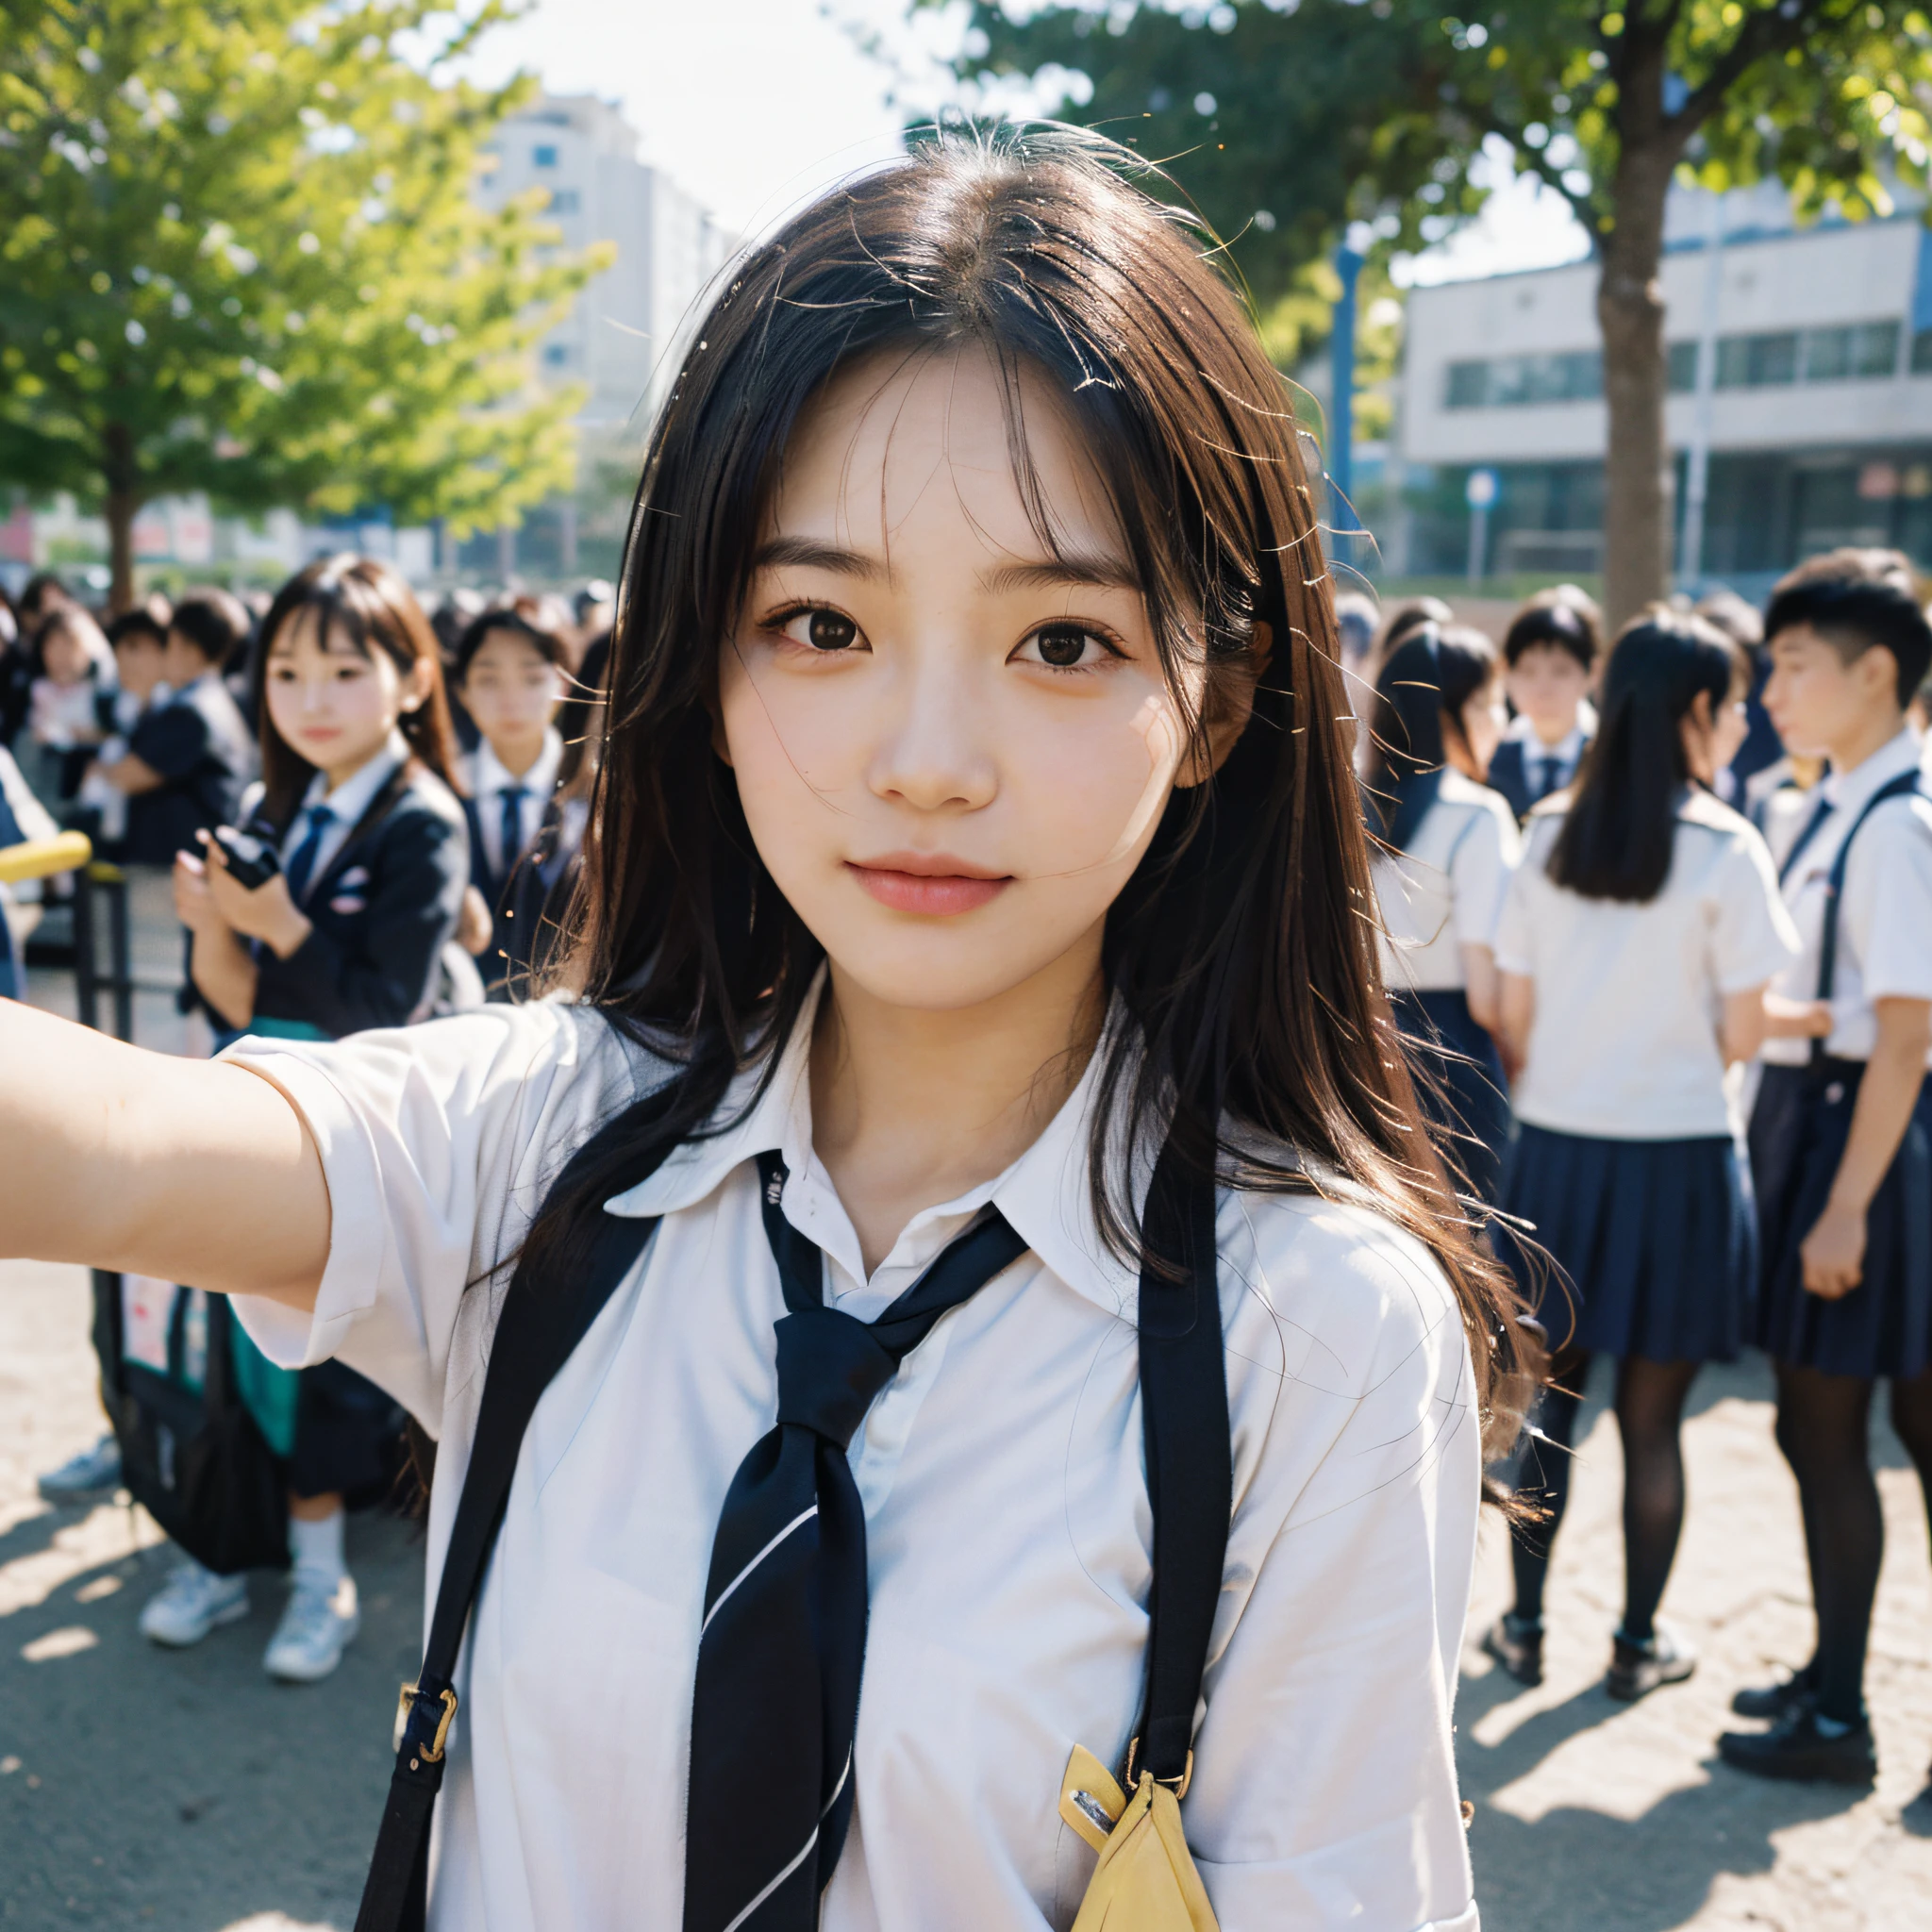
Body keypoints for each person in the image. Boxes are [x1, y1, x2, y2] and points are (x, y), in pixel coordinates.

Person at [0, 134, 1536, 1929]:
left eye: (1060, 639)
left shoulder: (1309, 1331)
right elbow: (106, 1148)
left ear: (1212, 701)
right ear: (706, 676)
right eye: (819, 623)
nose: (927, 757)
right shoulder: (555, 1139)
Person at [154, 555, 472, 1684]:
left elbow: (384, 1008)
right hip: (264, 1104)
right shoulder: (270, 804)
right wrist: (209, 925)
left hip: (366, 1133)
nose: (312, 697)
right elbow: (234, 1000)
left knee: (334, 1362)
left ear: (408, 677)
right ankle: (236, 1552)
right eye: (287, 670)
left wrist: (278, 919)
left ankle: (322, 1581)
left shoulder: (422, 819)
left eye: (346, 668)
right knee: (247, 1354)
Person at [1483, 611, 1796, 1699]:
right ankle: (1632, 1646)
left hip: (1558, 1158)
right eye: (1735, 699)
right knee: (1653, 1423)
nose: (1745, 717)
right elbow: (1749, 1034)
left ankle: (1518, 1629)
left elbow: (1510, 1010)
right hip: (1677, 1161)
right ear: (1695, 712)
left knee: (1549, 1409)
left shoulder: (1546, 830)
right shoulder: (1724, 843)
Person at [1719, 548, 1932, 1787]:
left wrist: (1845, 1208)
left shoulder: (1895, 823)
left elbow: (1905, 1032)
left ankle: (1841, 1714)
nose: (1773, 689)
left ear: (1877, 673)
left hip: (1863, 1140)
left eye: (1795, 666)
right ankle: (1830, 1673)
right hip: (1838, 1125)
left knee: (1828, 1422)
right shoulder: (1844, 796)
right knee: (1836, 1425)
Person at [1366, 622, 1521, 1204]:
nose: (1502, 720)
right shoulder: (1478, 815)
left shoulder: (1351, 800)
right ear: (1448, 715)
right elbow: (1487, 994)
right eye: (1489, 704)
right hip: (1452, 1047)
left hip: (1359, 1037)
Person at [450, 603, 572, 994]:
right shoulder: (444, 790)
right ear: (462, 691)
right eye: (488, 680)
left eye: (533, 679)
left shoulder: (600, 791)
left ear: (563, 685)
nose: (511, 700)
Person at [92, 593, 256, 869]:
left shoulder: (189, 712)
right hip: (191, 861)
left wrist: (99, 770)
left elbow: (129, 776)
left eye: (169, 641)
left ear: (187, 647)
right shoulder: (208, 698)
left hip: (176, 867)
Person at [1487, 586, 1601, 823]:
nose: (1543, 687)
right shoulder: (1490, 755)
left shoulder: (1611, 755)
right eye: (1528, 672)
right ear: (1506, 674)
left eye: (1561, 672)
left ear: (1593, 673)